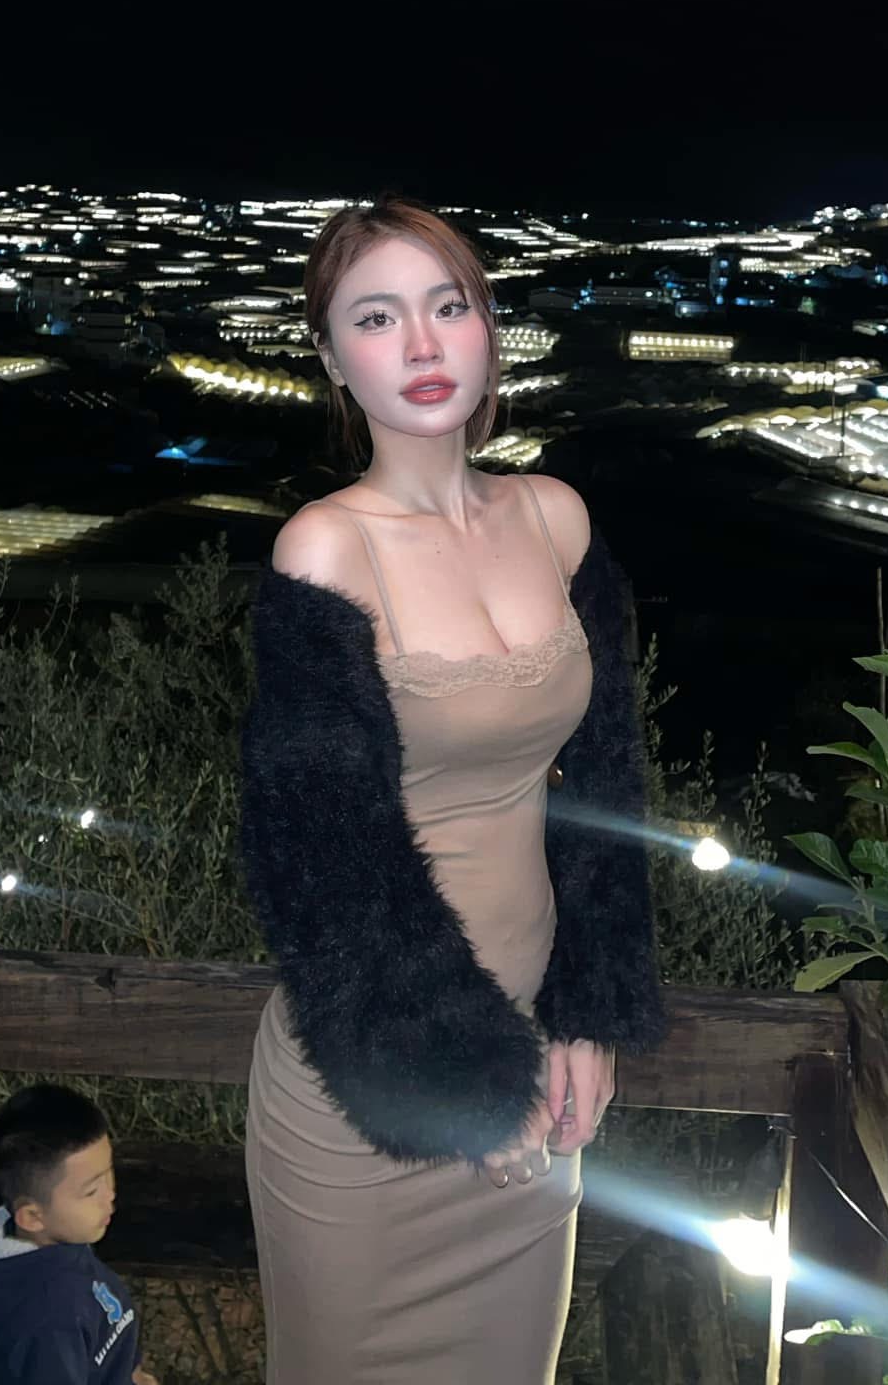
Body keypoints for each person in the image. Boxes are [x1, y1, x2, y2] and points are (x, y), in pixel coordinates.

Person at [240, 195, 664, 1384]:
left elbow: (608, 787)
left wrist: (589, 1011)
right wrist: (470, 1083)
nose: (422, 345)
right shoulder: (327, 547)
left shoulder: (557, 518)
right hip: (376, 1083)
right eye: (377, 318)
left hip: (541, 1063)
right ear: (333, 357)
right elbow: (318, 865)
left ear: (489, 328)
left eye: (448, 306)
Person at [0, 1082, 160, 1385]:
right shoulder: (46, 1317)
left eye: (109, 1174)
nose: (110, 1195)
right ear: (32, 1216)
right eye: (91, 1191)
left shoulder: (54, 1240)